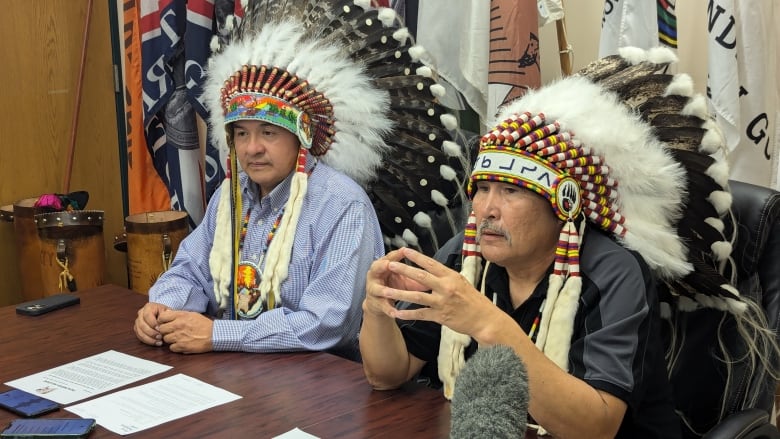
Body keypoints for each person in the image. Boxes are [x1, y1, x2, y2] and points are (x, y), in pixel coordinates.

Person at [357, 47, 748, 438]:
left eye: (511, 192)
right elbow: (388, 375)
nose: (486, 210)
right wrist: (376, 309)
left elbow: (595, 426)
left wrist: (486, 323)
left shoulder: (612, 272)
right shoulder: (465, 254)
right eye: (482, 189)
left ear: (564, 204)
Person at [131, 2, 403, 360]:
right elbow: (189, 271)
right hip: (235, 370)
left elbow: (327, 322)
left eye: (269, 132)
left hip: (324, 383)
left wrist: (218, 333)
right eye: (241, 133)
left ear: (301, 136)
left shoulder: (341, 205)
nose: (252, 148)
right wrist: (161, 309)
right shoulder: (230, 196)